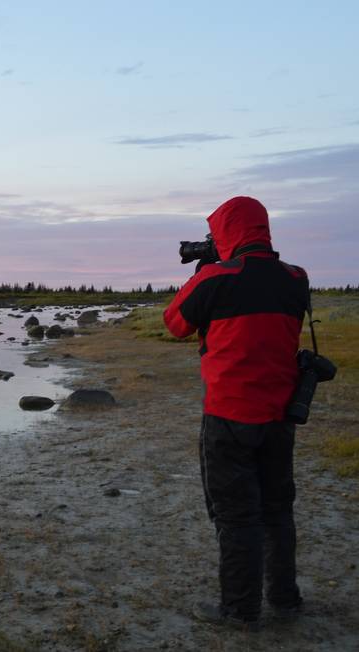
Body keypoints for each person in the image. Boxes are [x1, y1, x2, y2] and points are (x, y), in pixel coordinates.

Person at [163, 196, 309, 630]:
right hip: (281, 414)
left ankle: (240, 610)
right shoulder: (295, 278)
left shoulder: (215, 278)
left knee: (236, 516)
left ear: (226, 233)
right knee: (278, 509)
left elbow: (175, 323)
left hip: (228, 416)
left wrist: (206, 269)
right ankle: (285, 598)